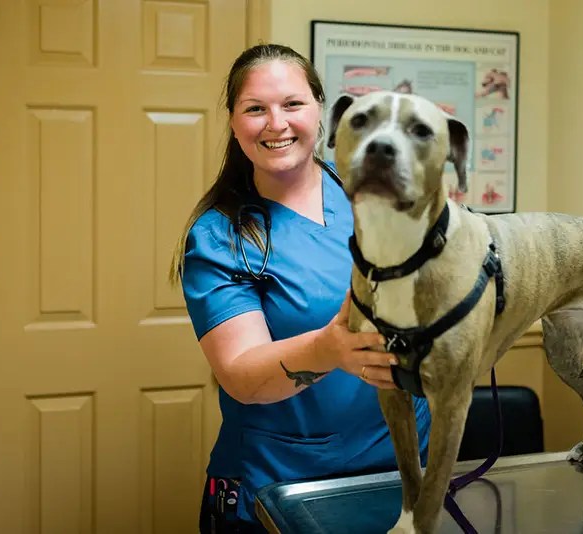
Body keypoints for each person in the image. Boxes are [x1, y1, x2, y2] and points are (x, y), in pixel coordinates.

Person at [169, 43, 431, 533]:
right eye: (255, 109)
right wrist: (330, 348)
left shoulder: (372, 194)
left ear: (320, 110)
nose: (276, 123)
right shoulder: (221, 238)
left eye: (292, 104)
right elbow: (242, 376)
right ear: (233, 120)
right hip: (283, 491)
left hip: (406, 476)